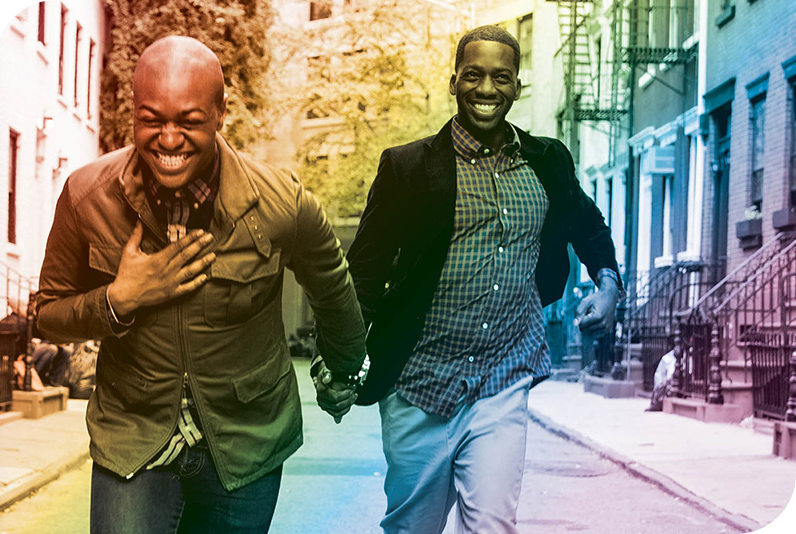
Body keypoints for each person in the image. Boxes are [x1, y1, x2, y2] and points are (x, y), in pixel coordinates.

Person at [35, 35, 367, 534]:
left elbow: (334, 292)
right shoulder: (87, 197)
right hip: (134, 435)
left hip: (245, 439)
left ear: (220, 112)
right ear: (134, 112)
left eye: (189, 121)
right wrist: (118, 300)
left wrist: (343, 372)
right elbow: (46, 313)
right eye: (152, 120)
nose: (169, 139)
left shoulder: (282, 203)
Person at [317, 25, 625, 534]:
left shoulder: (547, 161)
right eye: (474, 76)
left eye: (501, 77)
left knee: (493, 527)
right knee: (412, 527)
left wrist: (608, 283)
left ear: (517, 87)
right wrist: (339, 360)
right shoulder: (408, 167)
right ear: (454, 81)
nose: (487, 89)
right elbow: (365, 274)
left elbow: (587, 225)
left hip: (504, 380)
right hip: (420, 386)